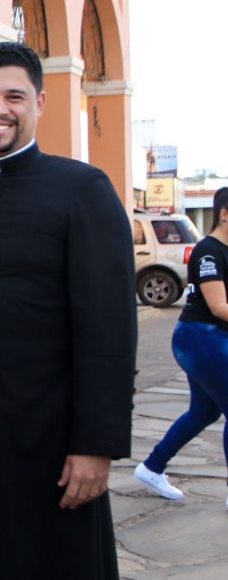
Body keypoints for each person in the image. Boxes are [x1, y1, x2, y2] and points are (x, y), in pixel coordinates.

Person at [0, 42, 136, 580]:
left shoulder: (83, 190)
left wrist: (96, 445)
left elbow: (108, 329)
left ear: (40, 102)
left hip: (55, 436)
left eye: (14, 97)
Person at [134, 186, 228, 506]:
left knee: (205, 411)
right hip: (200, 337)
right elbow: (218, 306)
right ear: (224, 214)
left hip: (207, 339)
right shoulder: (209, 251)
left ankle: (152, 467)